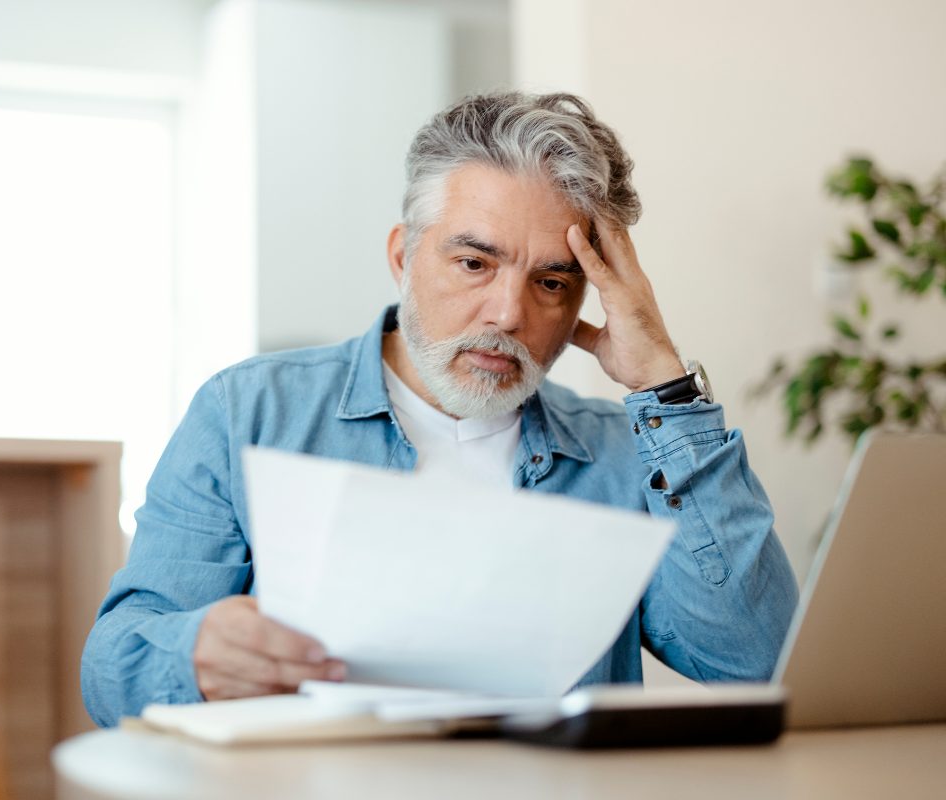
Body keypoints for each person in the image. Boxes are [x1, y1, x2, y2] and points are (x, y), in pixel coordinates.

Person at [81, 91, 799, 727]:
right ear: (403, 257)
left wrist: (665, 391)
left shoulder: (622, 454)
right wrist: (196, 653)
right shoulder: (249, 411)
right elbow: (111, 672)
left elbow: (755, 664)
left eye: (551, 282)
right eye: (473, 263)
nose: (509, 312)